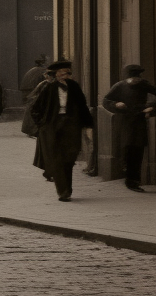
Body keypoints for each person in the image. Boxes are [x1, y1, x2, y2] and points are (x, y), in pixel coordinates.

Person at [31, 60, 94, 201]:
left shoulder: (75, 88)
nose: (66, 76)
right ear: (57, 75)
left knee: (69, 158)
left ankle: (67, 188)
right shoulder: (48, 88)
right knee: (56, 159)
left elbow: (83, 107)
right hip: (53, 127)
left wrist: (88, 125)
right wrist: (42, 125)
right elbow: (35, 109)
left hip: (71, 126)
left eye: (68, 73)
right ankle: (63, 191)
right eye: (64, 73)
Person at [101, 64, 156, 192]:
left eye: (138, 77)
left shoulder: (144, 84)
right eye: (133, 77)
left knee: (137, 151)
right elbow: (106, 100)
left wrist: (152, 108)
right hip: (124, 122)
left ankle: (133, 181)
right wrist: (116, 104)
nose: (135, 80)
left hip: (139, 121)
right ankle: (126, 172)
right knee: (126, 149)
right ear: (127, 77)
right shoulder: (119, 86)